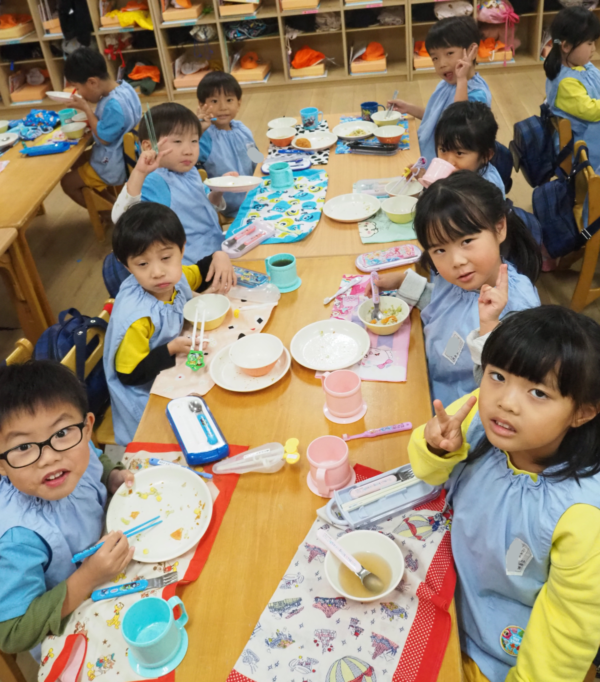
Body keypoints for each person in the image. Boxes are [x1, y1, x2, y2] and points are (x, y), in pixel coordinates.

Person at [408, 305, 600, 682]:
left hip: (495, 645)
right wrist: (435, 448)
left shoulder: (582, 516)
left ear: (582, 413)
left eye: (538, 392)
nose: (506, 402)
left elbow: (566, 633)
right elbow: (425, 470)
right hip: (443, 581)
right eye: (497, 375)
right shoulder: (483, 418)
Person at [365, 171, 540, 405]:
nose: (456, 261)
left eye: (466, 241)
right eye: (440, 250)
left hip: (461, 408)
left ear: (499, 228)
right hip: (426, 375)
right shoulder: (459, 279)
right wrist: (402, 282)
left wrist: (488, 330)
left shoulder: (518, 308)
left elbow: (507, 388)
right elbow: (444, 306)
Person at [0, 361, 134, 654]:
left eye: (61, 433)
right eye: (23, 447)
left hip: (117, 567)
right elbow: (12, 634)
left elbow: (96, 457)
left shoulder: (76, 451)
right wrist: (87, 578)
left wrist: (111, 476)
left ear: (86, 428)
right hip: (75, 631)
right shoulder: (17, 538)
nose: (49, 458)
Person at [104, 202, 235, 446]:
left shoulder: (175, 277)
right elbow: (129, 375)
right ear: (126, 265)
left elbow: (200, 273)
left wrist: (220, 256)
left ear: (182, 249)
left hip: (174, 369)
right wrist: (170, 349)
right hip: (145, 395)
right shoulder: (138, 317)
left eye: (165, 257)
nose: (157, 272)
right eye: (142, 264)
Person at [111, 103, 236, 264]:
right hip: (193, 266)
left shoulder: (189, 171)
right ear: (149, 146)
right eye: (177, 141)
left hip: (217, 251)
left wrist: (217, 191)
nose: (189, 150)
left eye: (194, 140)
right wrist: (140, 172)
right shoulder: (154, 181)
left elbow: (204, 207)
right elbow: (121, 219)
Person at [388, 17, 491, 167]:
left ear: (471, 51)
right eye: (435, 58)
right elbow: (438, 118)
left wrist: (461, 79)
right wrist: (409, 108)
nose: (442, 64)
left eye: (449, 53)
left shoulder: (477, 93)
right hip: (425, 155)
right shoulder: (446, 85)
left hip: (448, 167)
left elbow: (458, 124)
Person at [60, 47, 141, 207]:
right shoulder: (125, 87)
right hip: (127, 153)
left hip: (114, 163)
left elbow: (104, 139)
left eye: (78, 88)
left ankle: (111, 215)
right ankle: (113, 206)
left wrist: (86, 109)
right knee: (76, 161)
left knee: (67, 183)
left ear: (92, 82)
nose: (79, 93)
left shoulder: (113, 105)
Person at [196, 72, 258, 219]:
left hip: (255, 196)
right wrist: (198, 130)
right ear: (201, 105)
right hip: (227, 207)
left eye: (229, 100)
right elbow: (188, 162)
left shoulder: (242, 129)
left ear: (239, 103)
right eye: (214, 101)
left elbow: (255, 157)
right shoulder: (204, 136)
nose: (223, 107)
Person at [545, 6, 600, 170]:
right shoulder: (566, 83)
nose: (594, 48)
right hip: (582, 146)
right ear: (566, 46)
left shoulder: (581, 65)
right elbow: (591, 111)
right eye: (589, 43)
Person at [434, 101, 506, 196]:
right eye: (443, 150)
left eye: (459, 153)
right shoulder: (459, 173)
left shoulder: (485, 193)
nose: (449, 161)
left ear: (486, 155)